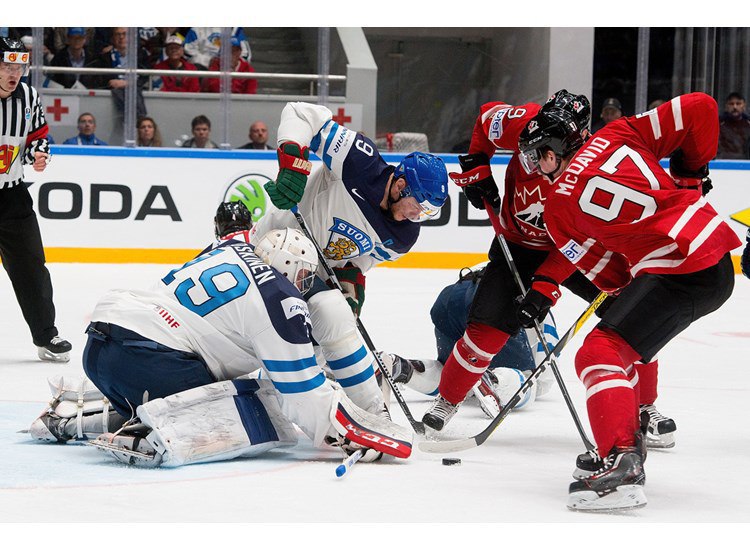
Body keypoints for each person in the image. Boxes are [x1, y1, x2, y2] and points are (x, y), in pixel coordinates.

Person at [30, 222, 413, 468]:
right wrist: (350, 431)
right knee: (265, 399)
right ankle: (155, 437)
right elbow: (301, 393)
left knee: (204, 377)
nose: (303, 286)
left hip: (103, 344)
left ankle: (73, 414)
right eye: (303, 277)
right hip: (145, 360)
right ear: (293, 270)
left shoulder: (232, 247)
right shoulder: (280, 298)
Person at [518, 92, 740, 511]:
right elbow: (701, 107)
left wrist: (627, 296)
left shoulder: (557, 209)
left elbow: (613, 278)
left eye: (537, 157)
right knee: (622, 348)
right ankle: (627, 442)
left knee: (599, 352)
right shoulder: (619, 132)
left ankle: (623, 461)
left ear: (553, 152)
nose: (535, 167)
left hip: (677, 269)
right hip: (714, 253)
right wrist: (690, 177)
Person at [422, 90, 676, 449]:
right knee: (486, 330)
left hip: (578, 249)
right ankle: (447, 401)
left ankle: (644, 407)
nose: (533, 160)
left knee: (636, 320)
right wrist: (477, 165)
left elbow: (576, 242)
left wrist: (544, 288)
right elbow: (485, 120)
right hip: (518, 245)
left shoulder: (595, 167)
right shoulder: (524, 123)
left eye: (543, 153)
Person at [250, 101, 448, 418]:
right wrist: (293, 166)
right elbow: (301, 113)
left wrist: (351, 281)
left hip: (313, 275)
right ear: (400, 185)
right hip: (269, 247)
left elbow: (358, 260)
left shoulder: (403, 236)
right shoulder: (360, 161)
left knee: (329, 323)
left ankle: (289, 389)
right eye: (417, 205)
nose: (417, 216)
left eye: (426, 212)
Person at [378, 264, 560, 416]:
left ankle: (402, 367)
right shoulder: (540, 298)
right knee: (531, 383)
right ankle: (493, 379)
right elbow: (545, 376)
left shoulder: (505, 260)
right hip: (493, 304)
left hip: (450, 299)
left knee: (454, 368)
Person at [0, 38, 72, 363]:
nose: (13, 74)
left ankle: (46, 336)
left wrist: (38, 154)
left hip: (13, 196)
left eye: (18, 67)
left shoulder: (28, 96)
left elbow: (36, 137)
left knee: (31, 267)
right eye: (7, 66)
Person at [92, 27, 148, 118]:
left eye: (124, 34)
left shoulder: (141, 55)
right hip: (113, 92)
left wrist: (127, 83)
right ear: (112, 39)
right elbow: (100, 79)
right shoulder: (105, 57)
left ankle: (138, 117)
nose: (121, 37)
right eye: (118, 34)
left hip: (135, 89)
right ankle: (138, 118)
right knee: (118, 91)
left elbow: (145, 77)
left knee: (132, 90)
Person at [183, 27, 251, 71]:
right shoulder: (197, 28)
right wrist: (209, 61)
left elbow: (245, 55)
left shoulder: (235, 29)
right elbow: (187, 51)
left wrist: (231, 62)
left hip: (229, 68)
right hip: (204, 68)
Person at [716, 91, 750, 159]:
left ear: (744, 106)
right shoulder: (718, 124)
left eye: (738, 103)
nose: (735, 107)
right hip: (722, 162)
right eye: (731, 104)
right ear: (726, 106)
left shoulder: (748, 124)